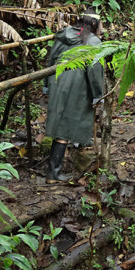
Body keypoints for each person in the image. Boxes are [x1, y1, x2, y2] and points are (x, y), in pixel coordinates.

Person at [44, 12, 104, 180]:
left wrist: (46, 85)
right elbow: (95, 71)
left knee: (63, 119)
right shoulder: (93, 42)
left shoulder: (64, 35)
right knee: (65, 126)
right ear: (94, 24)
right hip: (77, 86)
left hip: (57, 81)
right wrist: (98, 94)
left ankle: (77, 145)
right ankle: (54, 172)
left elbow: (51, 59)